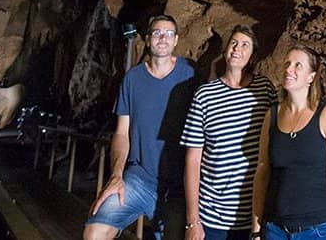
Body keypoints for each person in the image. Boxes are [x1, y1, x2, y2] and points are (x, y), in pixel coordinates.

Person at [84, 15, 197, 240]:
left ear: (176, 40)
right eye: (157, 33)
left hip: (176, 187)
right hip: (139, 179)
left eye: (168, 34)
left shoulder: (190, 74)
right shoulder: (132, 79)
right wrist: (116, 175)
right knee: (94, 232)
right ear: (147, 39)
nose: (163, 38)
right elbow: (121, 133)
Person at [181, 24, 276, 240]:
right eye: (233, 43)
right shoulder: (205, 95)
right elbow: (193, 159)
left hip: (254, 216)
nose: (237, 48)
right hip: (211, 216)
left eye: (245, 45)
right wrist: (193, 221)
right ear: (225, 51)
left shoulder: (264, 90)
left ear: (252, 56)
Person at [252, 45, 326, 240]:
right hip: (275, 229)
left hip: (317, 230)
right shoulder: (272, 115)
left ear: (311, 77)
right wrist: (256, 229)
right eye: (287, 63)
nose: (289, 69)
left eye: (297, 65)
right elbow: (263, 171)